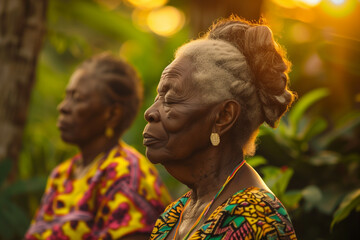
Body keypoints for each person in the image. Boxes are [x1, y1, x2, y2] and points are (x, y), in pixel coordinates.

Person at [143, 16, 297, 240]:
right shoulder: (174, 215)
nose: (150, 112)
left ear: (223, 117)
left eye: (171, 99)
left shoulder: (256, 217)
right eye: (158, 97)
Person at [25, 53, 172, 240]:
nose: (63, 107)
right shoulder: (62, 174)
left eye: (77, 98)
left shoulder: (126, 173)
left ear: (112, 114)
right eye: (66, 96)